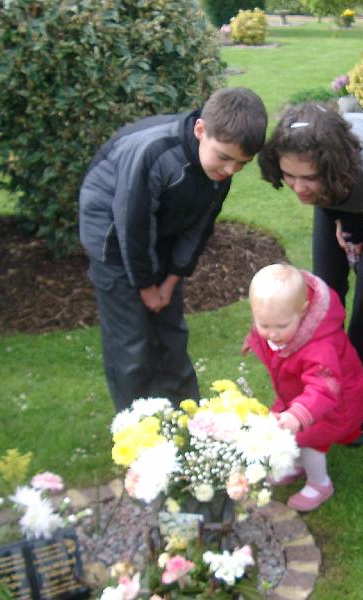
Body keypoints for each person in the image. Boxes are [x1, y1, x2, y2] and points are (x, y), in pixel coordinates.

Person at [79, 88, 268, 412]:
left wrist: (169, 282)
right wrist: (146, 287)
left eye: (242, 164)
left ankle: (187, 417)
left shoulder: (218, 166)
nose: (230, 171)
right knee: (131, 342)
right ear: (200, 130)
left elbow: (199, 227)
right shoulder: (153, 153)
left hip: (159, 231)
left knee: (171, 333)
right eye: (224, 157)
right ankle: (136, 427)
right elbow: (133, 226)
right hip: (112, 236)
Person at [258, 103, 363, 446]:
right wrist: (341, 220)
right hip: (342, 186)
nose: (298, 188)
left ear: (331, 168)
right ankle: (315, 397)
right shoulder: (316, 170)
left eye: (308, 178)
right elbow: (325, 190)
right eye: (289, 176)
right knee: (322, 296)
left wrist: (360, 230)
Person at [243, 264, 363, 511]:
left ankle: (320, 483)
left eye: (280, 326)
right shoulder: (280, 321)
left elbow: (324, 386)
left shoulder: (319, 346)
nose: (272, 334)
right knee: (288, 431)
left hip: (335, 402)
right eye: (264, 325)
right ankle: (297, 465)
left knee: (310, 439)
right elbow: (266, 330)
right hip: (300, 396)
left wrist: (299, 413)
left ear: (303, 311)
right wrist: (254, 339)